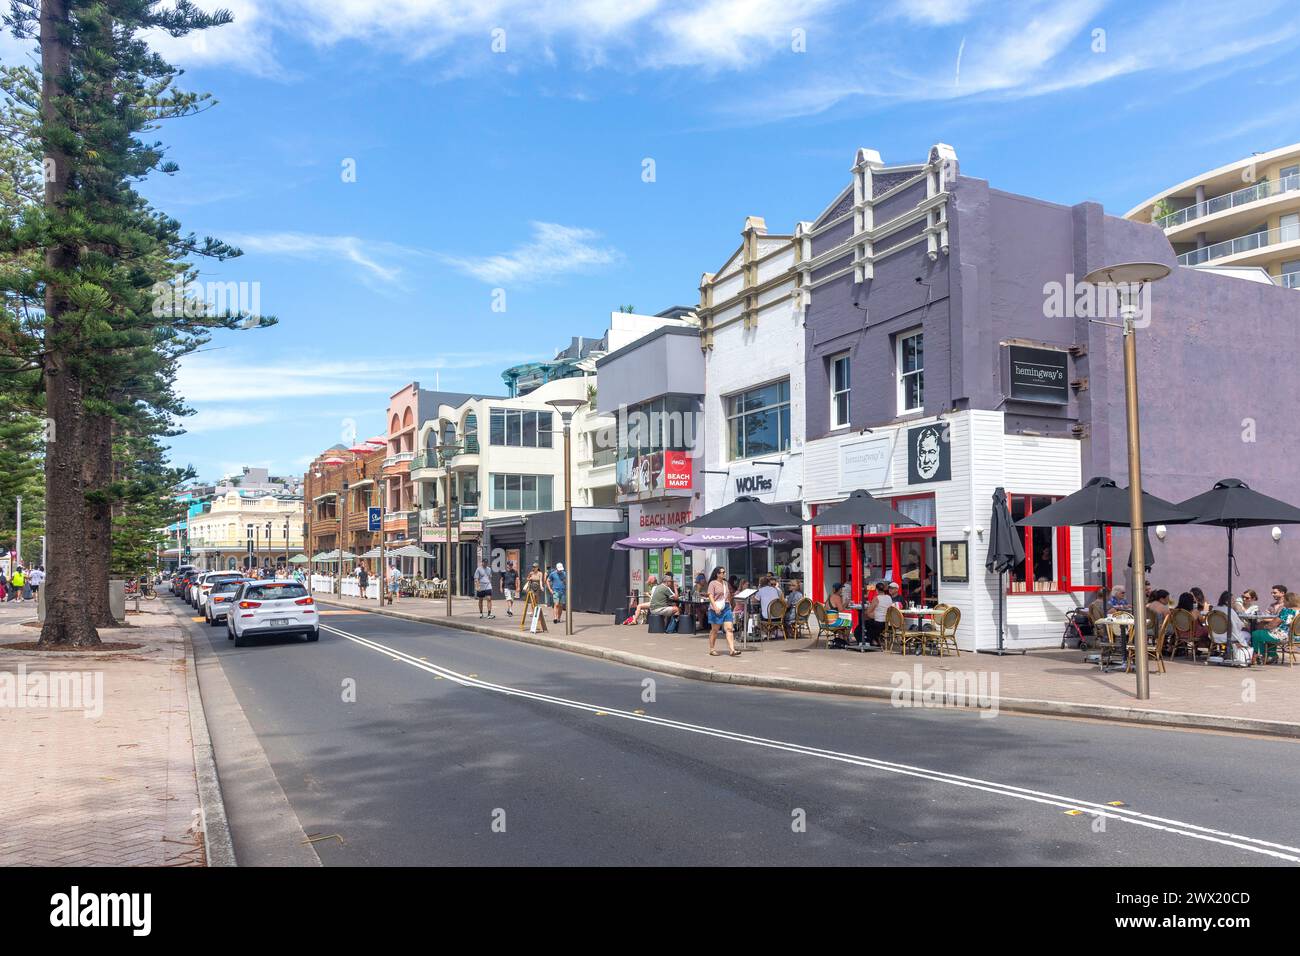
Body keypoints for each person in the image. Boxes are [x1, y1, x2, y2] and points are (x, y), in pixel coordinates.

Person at [1250, 591, 1298, 664]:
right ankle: (1272, 655)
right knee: (1268, 634)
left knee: (1256, 633)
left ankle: (1261, 655)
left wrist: (1266, 626)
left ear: (1289, 601)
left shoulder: (1287, 610)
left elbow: (1274, 623)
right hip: (1296, 637)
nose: (1283, 602)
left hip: (1283, 636)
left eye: (1284, 600)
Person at [706, 566, 739, 657]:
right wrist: (715, 607)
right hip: (716, 608)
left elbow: (727, 596)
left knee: (729, 628)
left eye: (724, 572)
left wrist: (731, 606)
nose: (724, 573)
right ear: (717, 574)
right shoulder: (713, 583)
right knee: (715, 630)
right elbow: (710, 596)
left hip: (726, 607)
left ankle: (732, 650)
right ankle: (712, 649)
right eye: (722, 572)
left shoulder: (725, 583)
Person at [1214, 590, 1252, 665]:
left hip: (1215, 636)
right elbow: (1239, 625)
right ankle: (1239, 656)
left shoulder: (1214, 609)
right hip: (1228, 636)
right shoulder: (1229, 611)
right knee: (1248, 635)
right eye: (1232, 600)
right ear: (1227, 601)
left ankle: (1230, 653)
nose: (1234, 601)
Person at [864, 579, 894, 645]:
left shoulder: (876, 598)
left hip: (879, 624)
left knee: (865, 623)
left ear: (877, 590)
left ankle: (871, 640)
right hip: (888, 623)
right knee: (870, 620)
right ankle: (875, 639)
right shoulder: (889, 597)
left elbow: (868, 611)